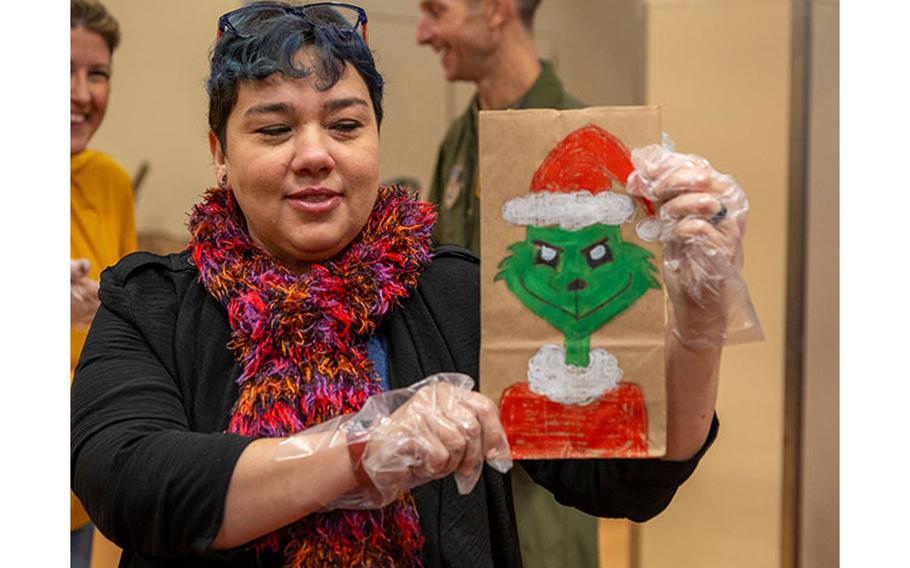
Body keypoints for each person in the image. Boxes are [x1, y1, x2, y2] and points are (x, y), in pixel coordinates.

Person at [72, 3, 745, 567]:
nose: (315, 154)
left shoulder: (455, 294)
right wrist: (364, 448)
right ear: (220, 152)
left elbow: (629, 477)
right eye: (274, 129)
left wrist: (700, 322)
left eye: (345, 125)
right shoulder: (151, 303)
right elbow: (129, 481)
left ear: (375, 141)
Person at [415, 0, 594, 563]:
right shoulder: (459, 143)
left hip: (550, 459)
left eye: (435, 10)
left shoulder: (582, 138)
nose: (423, 32)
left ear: (495, 10)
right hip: (462, 458)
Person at [70, 1, 137, 566]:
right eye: (60, 72)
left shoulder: (110, 182)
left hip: (76, 486)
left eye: (97, 74)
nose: (82, 94)